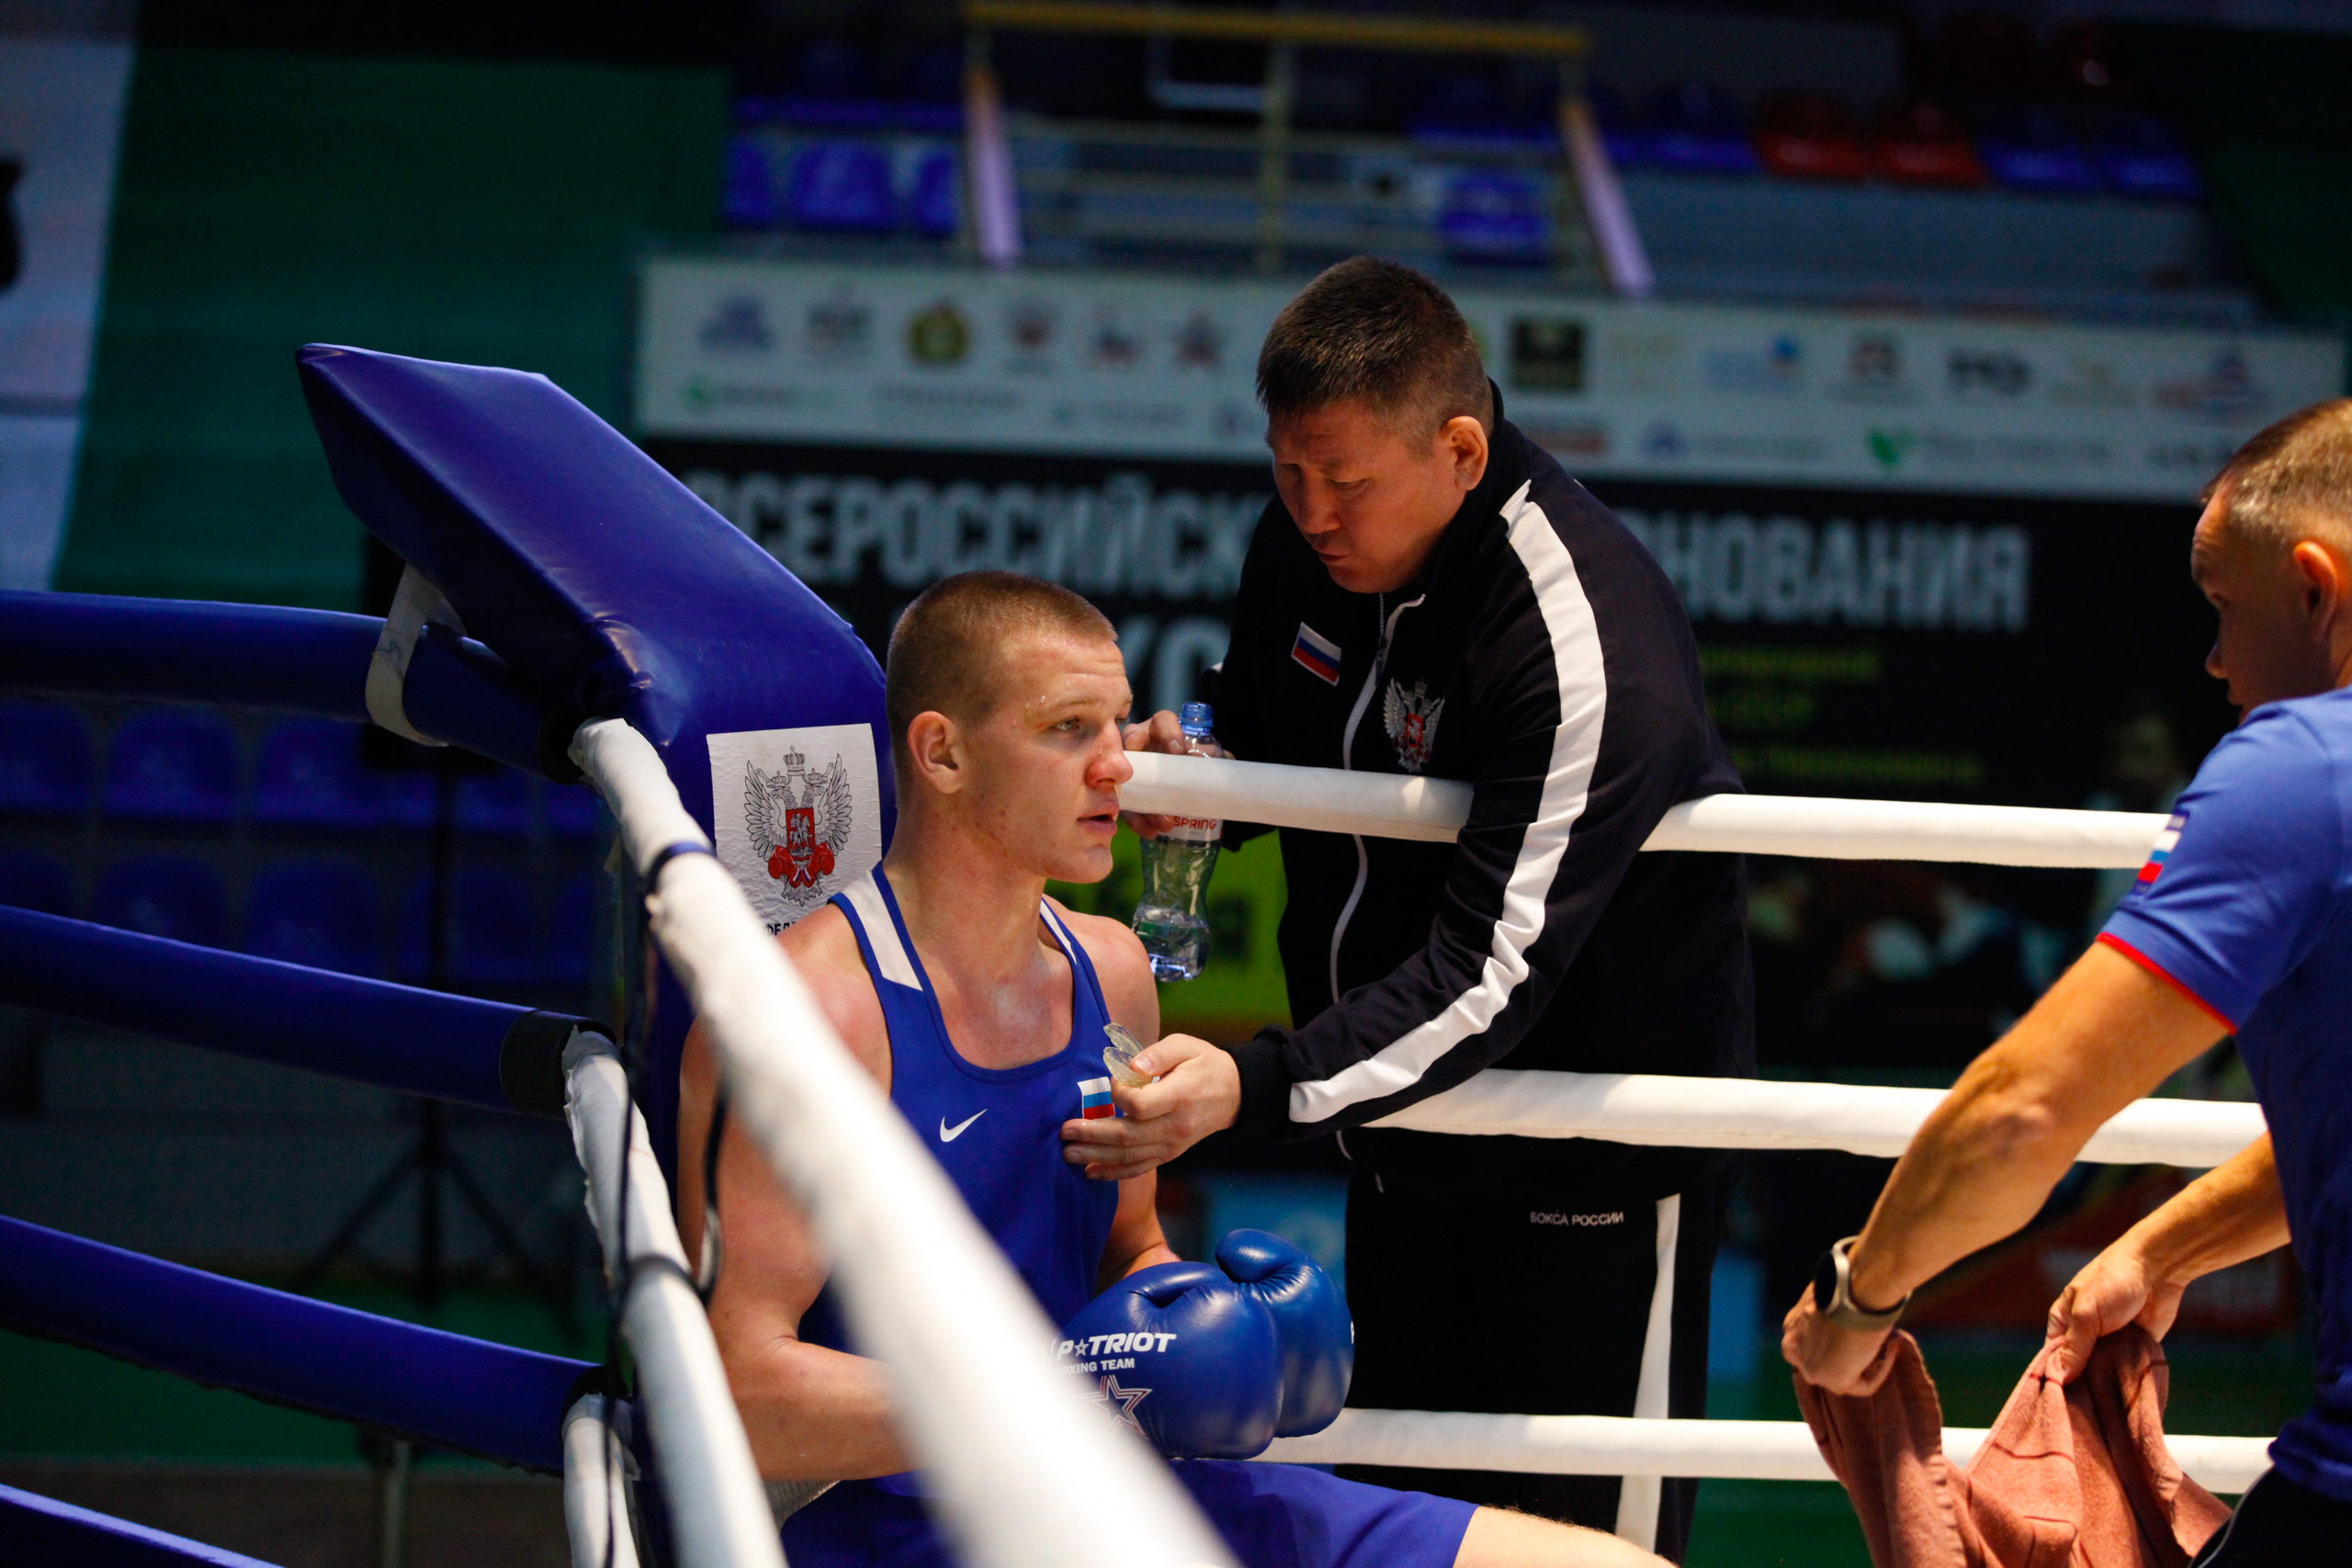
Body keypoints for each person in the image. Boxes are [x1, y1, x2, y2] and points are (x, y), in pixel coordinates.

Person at [678, 570, 1668, 1568]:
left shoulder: (1111, 971)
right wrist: (1065, 1390)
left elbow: (1128, 1257)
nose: (1118, 769)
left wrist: (1225, 1337)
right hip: (910, 1525)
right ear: (942, 753)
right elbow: (739, 1389)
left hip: (1118, 1502)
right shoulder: (809, 1012)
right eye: (1068, 730)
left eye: (1116, 724)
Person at [1059, 256, 1754, 1560]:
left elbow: (1490, 970)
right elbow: (1287, 753)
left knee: (1585, 1554)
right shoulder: (1309, 542)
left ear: (1460, 446)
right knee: (1411, 1528)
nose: (1312, 512)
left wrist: (1257, 1084)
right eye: (1287, 470)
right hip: (1401, 1145)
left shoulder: (1576, 633)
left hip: (1588, 1170)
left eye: (1346, 480)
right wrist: (1209, 790)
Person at [1781, 400, 2352, 1563]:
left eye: (2223, 609)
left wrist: (1859, 1304)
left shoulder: (2304, 768)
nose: (2213, 661)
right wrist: (2155, 1250)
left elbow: (2021, 1112)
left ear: (2313, 587)